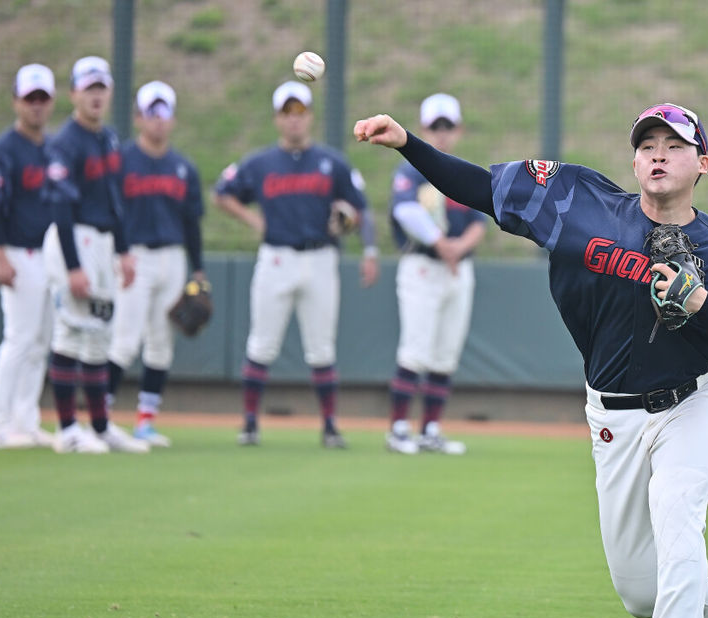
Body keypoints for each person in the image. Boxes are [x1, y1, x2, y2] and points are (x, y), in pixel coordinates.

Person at [354, 103, 708, 618]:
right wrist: (409, 143)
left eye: (674, 146)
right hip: (612, 416)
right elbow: (483, 190)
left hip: (690, 406)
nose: (658, 154)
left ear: (702, 164)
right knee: (640, 590)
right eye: (648, 143)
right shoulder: (579, 203)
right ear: (634, 159)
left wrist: (701, 303)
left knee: (677, 517)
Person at [213, 80, 379, 449]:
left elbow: (359, 210)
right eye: (287, 113)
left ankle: (330, 426)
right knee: (262, 344)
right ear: (277, 118)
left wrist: (366, 247)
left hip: (321, 257)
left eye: (300, 112)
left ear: (310, 117)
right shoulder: (260, 163)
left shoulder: (331, 162)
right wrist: (254, 221)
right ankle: (251, 423)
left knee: (321, 348)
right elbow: (222, 193)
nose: (294, 120)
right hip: (277, 257)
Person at [41, 56, 147, 454]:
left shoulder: (109, 138)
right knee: (70, 331)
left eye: (101, 87)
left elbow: (114, 199)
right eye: (89, 88)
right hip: (76, 240)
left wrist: (123, 251)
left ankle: (100, 427)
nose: (96, 96)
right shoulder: (66, 142)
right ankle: (68, 430)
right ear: (73, 95)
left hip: (103, 244)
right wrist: (72, 266)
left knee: (100, 334)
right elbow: (61, 207)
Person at [384, 93, 486, 456]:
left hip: (458, 268)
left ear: (458, 129)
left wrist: (458, 248)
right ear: (424, 128)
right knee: (416, 348)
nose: (442, 133)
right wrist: (442, 243)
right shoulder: (412, 168)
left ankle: (430, 430)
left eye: (448, 126)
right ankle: (398, 429)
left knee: (445, 353)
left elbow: (480, 220)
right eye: (435, 127)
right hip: (424, 265)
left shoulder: (461, 169)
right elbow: (405, 211)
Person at [105, 81, 205, 448]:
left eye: (165, 113)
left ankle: (145, 422)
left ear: (173, 119)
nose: (159, 121)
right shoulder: (122, 160)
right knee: (125, 340)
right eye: (152, 113)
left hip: (173, 258)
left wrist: (198, 269)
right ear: (138, 118)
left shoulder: (182, 167)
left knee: (161, 343)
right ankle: (101, 419)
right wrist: (117, 252)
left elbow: (192, 222)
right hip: (135, 257)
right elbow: (111, 212)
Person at [0, 64, 57, 450]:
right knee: (19, 339)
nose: (36, 107)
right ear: (16, 101)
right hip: (18, 251)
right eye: (30, 99)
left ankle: (26, 419)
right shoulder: (3, 150)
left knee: (41, 341)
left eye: (42, 99)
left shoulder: (52, 149)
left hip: (50, 254)